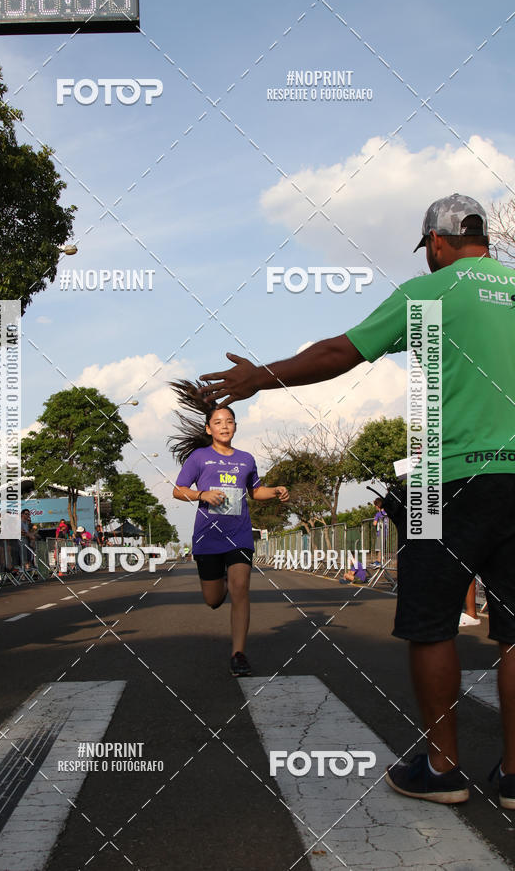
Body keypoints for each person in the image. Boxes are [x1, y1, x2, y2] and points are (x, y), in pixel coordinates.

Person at [199, 194, 515, 808]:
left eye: (428, 249)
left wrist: (261, 376)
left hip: (443, 480)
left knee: (431, 627)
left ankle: (444, 770)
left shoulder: (432, 293)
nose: (429, 258)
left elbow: (340, 352)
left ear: (438, 241)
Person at [169, 380, 289, 677]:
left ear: (235, 426)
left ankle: (238, 654)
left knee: (241, 589)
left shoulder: (246, 459)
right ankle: (218, 577)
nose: (225, 426)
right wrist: (201, 494)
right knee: (213, 600)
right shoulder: (199, 458)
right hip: (208, 537)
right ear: (209, 429)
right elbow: (177, 490)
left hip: (239, 534)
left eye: (229, 421)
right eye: (218, 422)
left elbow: (255, 491)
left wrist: (275, 490)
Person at [372, 497, 388, 568]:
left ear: (377, 506)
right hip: (386, 533)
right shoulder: (386, 513)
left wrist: (374, 519)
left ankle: (379, 561)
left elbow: (374, 523)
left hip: (380, 533)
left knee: (378, 548)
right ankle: (380, 560)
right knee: (382, 547)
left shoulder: (378, 514)